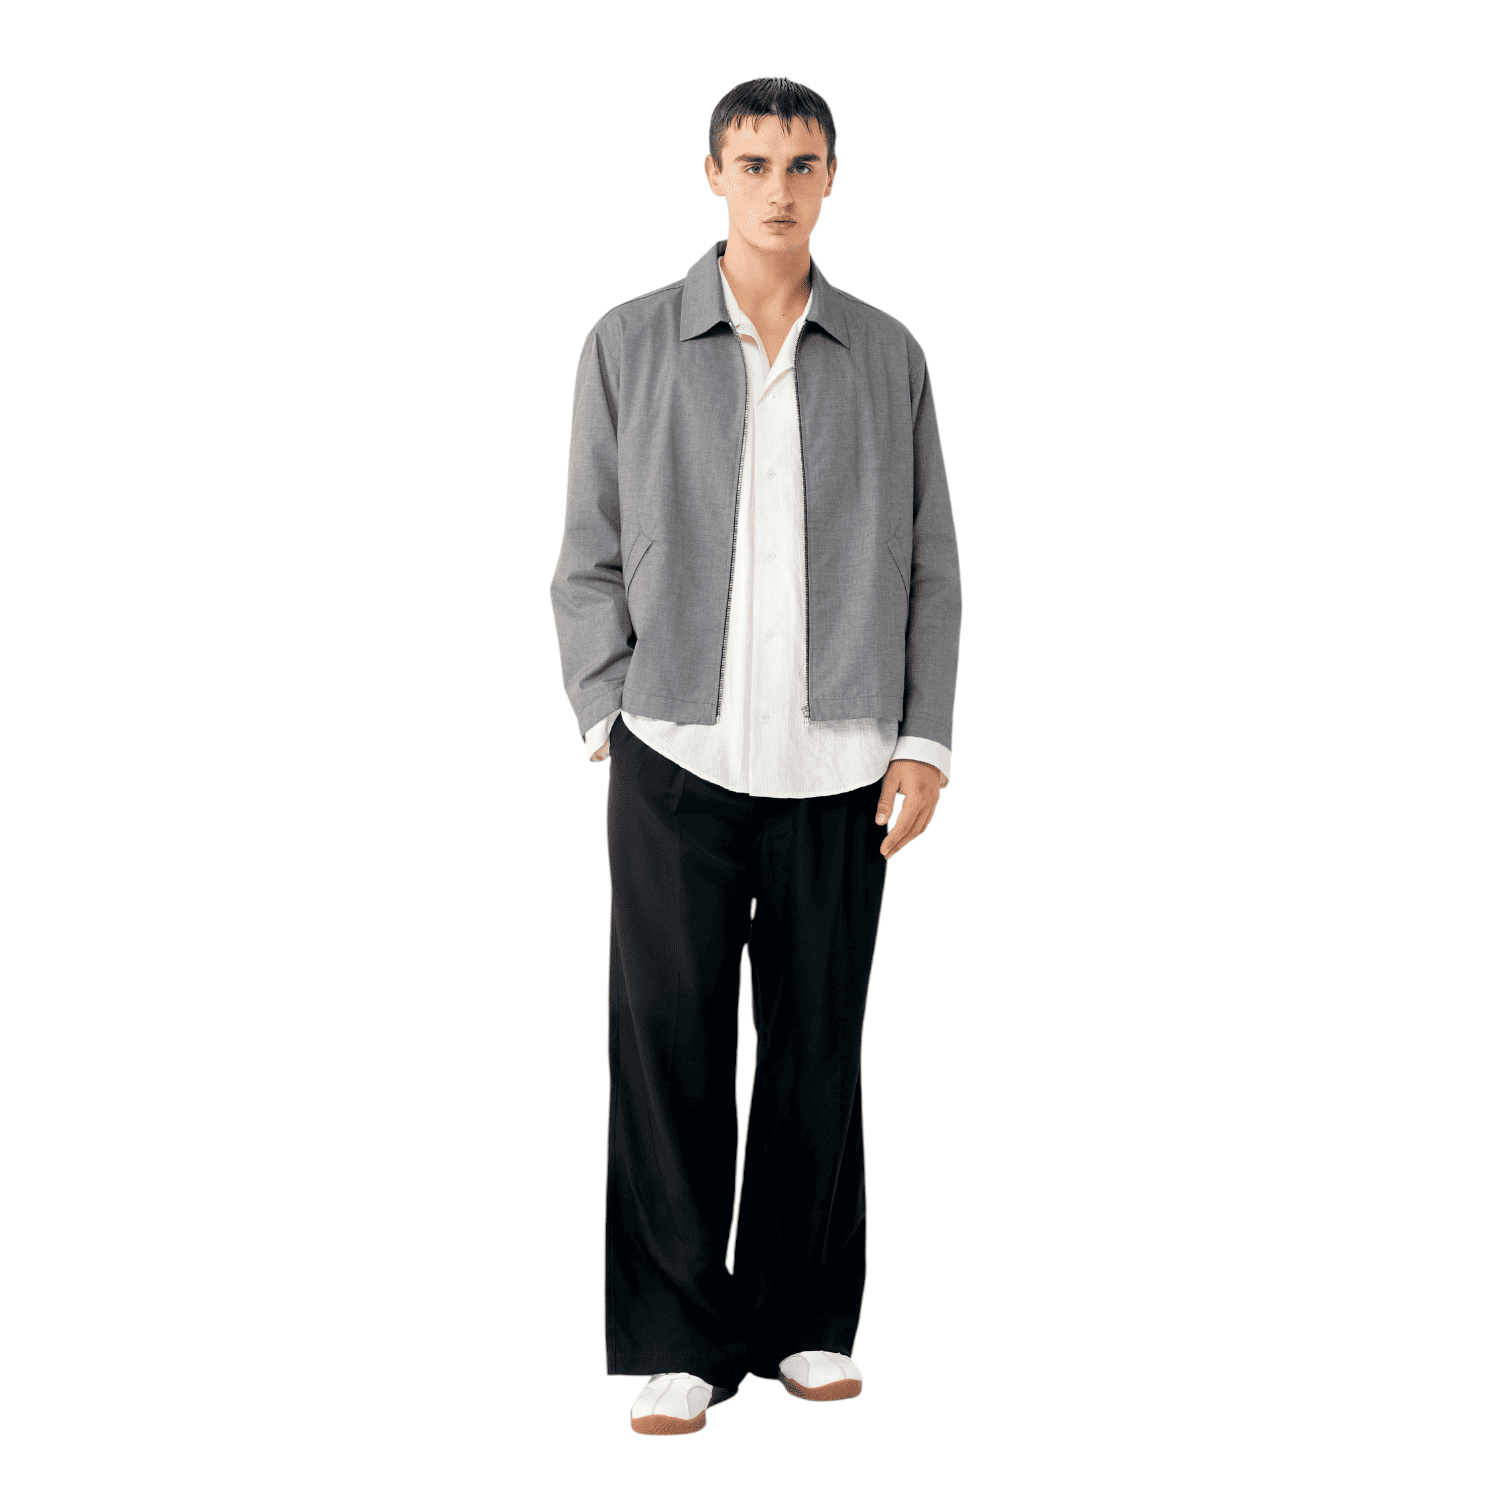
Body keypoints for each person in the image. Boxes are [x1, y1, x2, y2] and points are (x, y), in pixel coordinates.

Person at [549, 76, 962, 1436]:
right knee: (665, 1049)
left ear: (832, 177)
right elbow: (585, 549)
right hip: (674, 754)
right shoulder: (628, 342)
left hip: (842, 768)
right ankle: (678, 1337)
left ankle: (802, 1321)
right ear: (713, 174)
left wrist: (922, 740)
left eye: (801, 163)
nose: (778, 187)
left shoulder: (888, 355)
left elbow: (931, 564)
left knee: (815, 1050)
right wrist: (609, 708)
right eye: (753, 161)